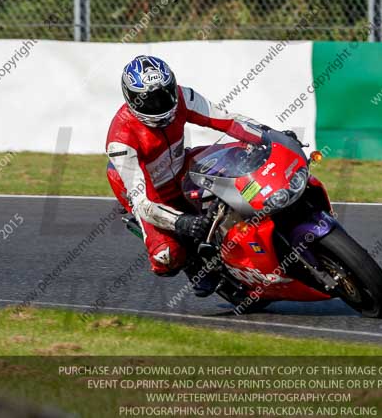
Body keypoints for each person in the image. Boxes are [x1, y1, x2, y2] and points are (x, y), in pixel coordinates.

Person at [105, 55, 267, 297]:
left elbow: (227, 120)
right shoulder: (120, 141)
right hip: (148, 190)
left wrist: (268, 136)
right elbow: (144, 204)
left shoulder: (183, 97)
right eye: (151, 100)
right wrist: (183, 223)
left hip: (180, 164)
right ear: (131, 99)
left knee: (239, 154)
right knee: (166, 257)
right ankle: (192, 263)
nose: (161, 104)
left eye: (165, 93)